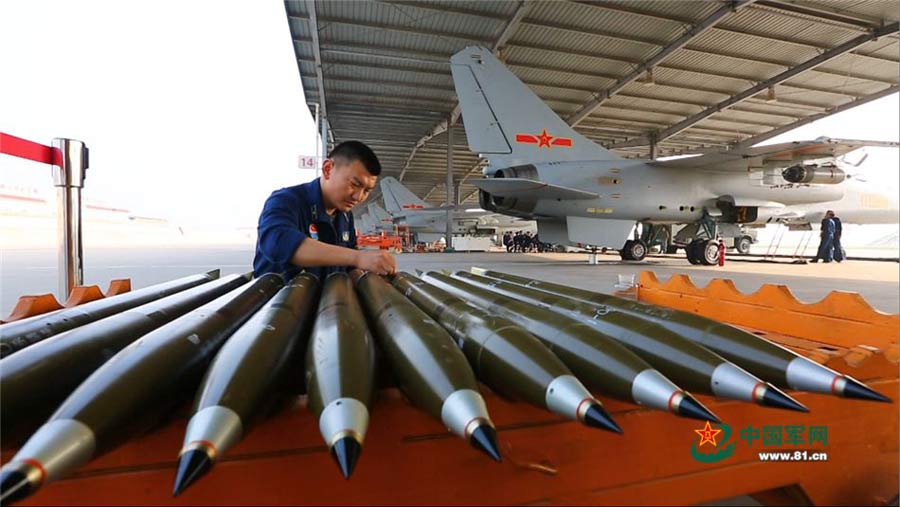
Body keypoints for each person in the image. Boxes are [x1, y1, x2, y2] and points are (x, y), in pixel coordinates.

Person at [253, 140, 397, 279]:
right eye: (354, 184)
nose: (358, 197)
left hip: (327, 294)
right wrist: (357, 257)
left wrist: (367, 281)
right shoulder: (286, 200)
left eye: (366, 191)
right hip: (282, 294)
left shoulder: (345, 217)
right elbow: (278, 243)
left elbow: (349, 267)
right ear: (328, 169)